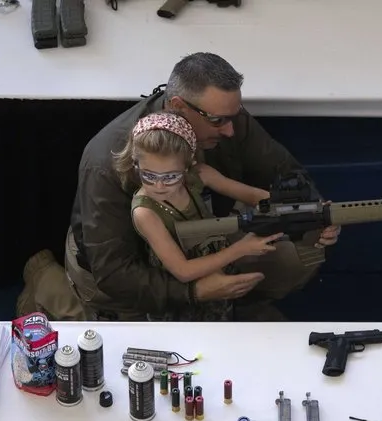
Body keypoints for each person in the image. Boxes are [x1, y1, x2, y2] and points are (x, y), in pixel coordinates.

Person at [16, 52, 341, 322]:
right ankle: (47, 285)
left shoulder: (225, 117)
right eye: (218, 121)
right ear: (178, 107)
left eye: (235, 115)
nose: (230, 130)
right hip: (129, 270)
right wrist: (194, 292)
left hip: (198, 236)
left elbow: (282, 171)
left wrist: (311, 209)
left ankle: (228, 303)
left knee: (298, 256)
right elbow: (116, 274)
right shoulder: (107, 161)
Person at [112, 111, 284, 320]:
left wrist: (306, 208)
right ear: (135, 163)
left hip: (218, 269)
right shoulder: (145, 212)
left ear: (188, 166)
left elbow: (255, 196)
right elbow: (183, 271)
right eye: (148, 175)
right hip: (183, 303)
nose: (159, 185)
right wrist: (240, 249)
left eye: (171, 176)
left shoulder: (200, 175)